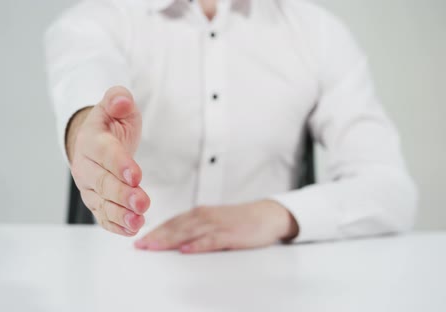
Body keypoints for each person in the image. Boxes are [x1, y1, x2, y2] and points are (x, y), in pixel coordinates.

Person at [45, 0, 418, 254]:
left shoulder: (318, 33)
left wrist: (274, 215)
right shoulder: (95, 19)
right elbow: (86, 90)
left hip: (271, 290)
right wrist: (86, 137)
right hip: (120, 285)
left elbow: (391, 191)